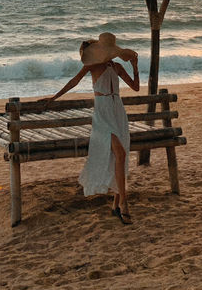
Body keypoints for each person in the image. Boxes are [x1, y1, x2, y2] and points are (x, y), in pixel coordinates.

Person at [41, 32, 139, 224]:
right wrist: (53, 98)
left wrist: (135, 67)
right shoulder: (91, 67)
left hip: (118, 110)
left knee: (121, 155)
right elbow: (73, 82)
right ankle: (125, 204)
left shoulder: (117, 66)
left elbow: (135, 87)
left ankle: (116, 204)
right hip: (102, 113)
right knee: (119, 153)